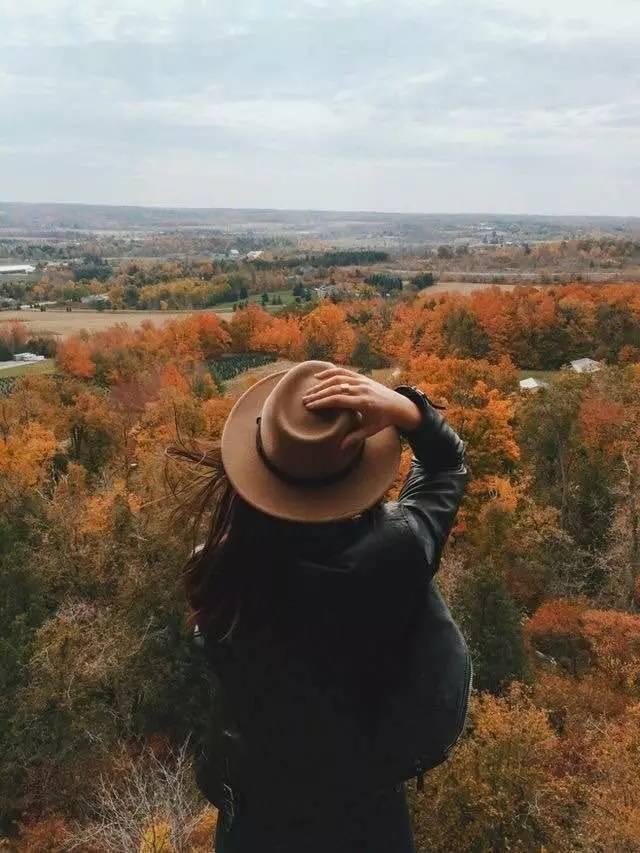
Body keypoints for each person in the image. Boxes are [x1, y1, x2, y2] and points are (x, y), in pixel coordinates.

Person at [168, 361, 471, 853]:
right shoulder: (397, 557)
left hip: (257, 815)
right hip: (367, 814)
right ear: (358, 471)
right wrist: (407, 409)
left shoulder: (218, 575)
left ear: (259, 467)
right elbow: (446, 466)